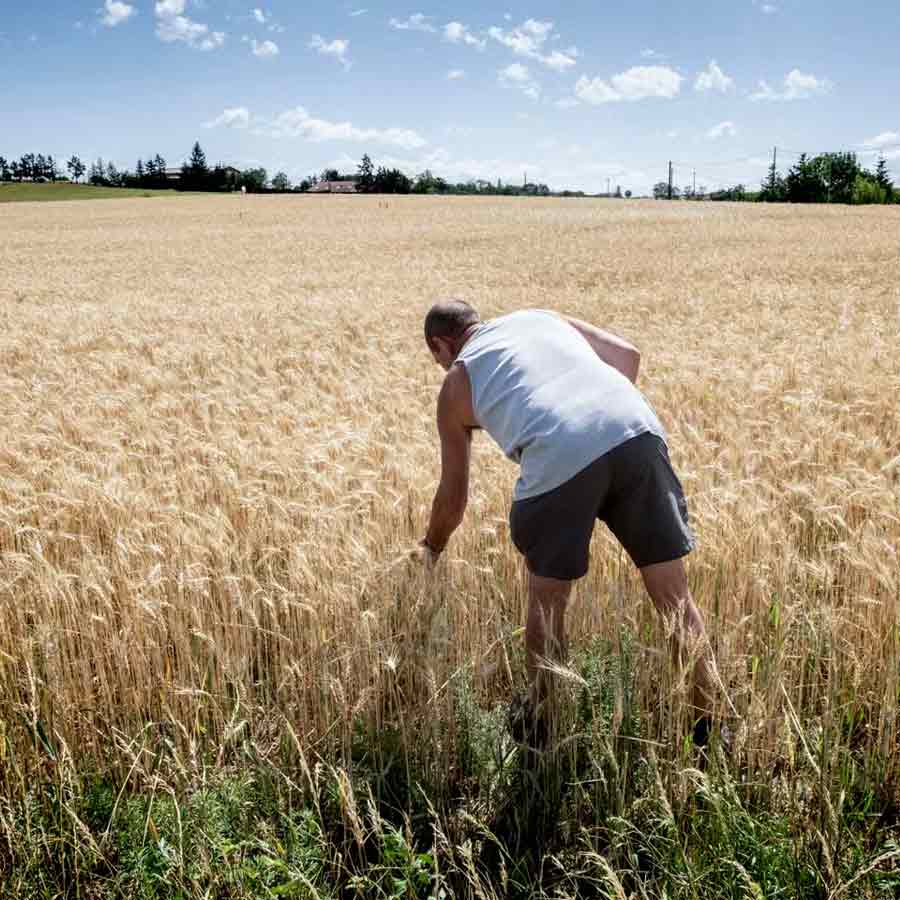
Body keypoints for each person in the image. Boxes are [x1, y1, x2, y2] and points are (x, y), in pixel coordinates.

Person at [420, 299, 727, 747]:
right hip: (636, 429)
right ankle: (712, 728)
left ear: (441, 344)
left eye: (437, 358)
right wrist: (598, 423)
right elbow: (628, 356)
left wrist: (431, 546)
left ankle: (544, 727)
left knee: (547, 601)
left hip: (559, 450)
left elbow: (453, 497)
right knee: (674, 596)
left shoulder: (457, 379)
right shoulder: (538, 317)